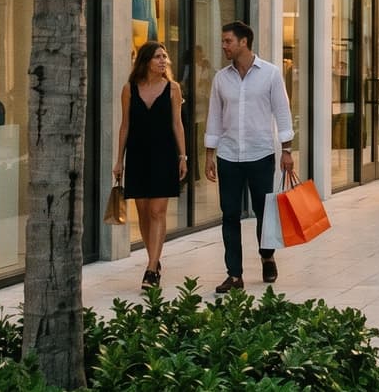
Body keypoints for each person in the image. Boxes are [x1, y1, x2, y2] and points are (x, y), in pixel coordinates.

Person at [204, 21, 295, 295]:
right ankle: (234, 274)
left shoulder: (270, 73)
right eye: (223, 41)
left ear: (243, 42)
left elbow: (282, 111)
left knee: (263, 213)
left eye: (228, 41)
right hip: (229, 155)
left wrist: (287, 150)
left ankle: (267, 256)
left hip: (261, 153)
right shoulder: (221, 78)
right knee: (229, 214)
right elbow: (215, 117)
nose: (224, 46)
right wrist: (210, 154)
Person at [114, 42, 186, 289]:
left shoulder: (173, 89)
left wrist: (183, 157)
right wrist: (118, 160)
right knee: (143, 212)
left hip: (164, 155)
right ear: (145, 61)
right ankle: (152, 259)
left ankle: (152, 268)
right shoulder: (129, 89)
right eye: (158, 57)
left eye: (164, 57)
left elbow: (178, 124)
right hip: (137, 155)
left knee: (157, 212)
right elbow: (125, 126)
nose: (163, 61)